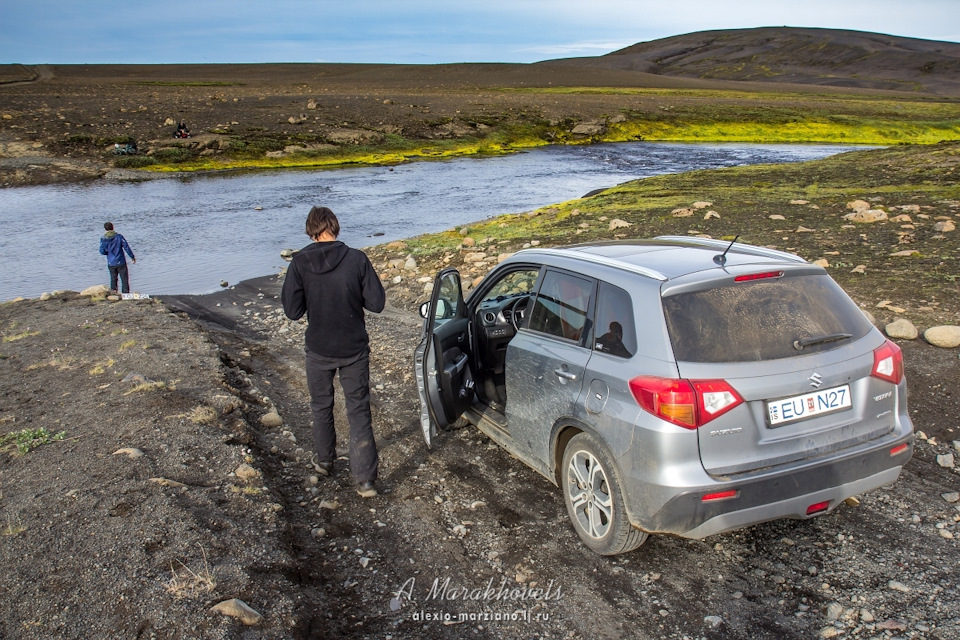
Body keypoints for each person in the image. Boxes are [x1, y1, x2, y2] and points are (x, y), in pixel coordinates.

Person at [282, 206, 386, 498]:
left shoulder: (299, 263)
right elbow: (376, 303)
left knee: (321, 407)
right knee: (358, 411)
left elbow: (292, 312)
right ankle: (365, 481)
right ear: (335, 226)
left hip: (319, 349)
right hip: (353, 348)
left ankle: (325, 462)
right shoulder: (357, 259)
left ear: (310, 229)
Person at [99, 222, 136, 294]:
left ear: (105, 229)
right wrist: (132, 257)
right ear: (113, 227)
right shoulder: (119, 237)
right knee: (124, 279)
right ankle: (125, 294)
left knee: (113, 278)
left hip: (111, 262)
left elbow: (102, 251)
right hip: (120, 261)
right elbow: (126, 247)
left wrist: (108, 252)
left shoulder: (103, 239)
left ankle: (114, 293)